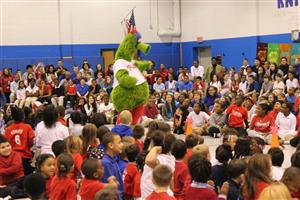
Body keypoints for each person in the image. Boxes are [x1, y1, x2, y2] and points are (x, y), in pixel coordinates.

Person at [141, 131, 176, 199]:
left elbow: (149, 160)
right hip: (158, 193)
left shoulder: (162, 159)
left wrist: (155, 149)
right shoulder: (170, 158)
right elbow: (171, 178)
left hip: (155, 195)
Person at [4, 106, 35, 175]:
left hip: (12, 157)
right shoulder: (27, 127)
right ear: (23, 116)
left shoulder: (7, 129)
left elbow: (5, 144)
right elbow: (31, 142)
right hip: (25, 157)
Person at [101, 133, 124, 199]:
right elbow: (110, 187)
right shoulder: (106, 163)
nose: (122, 145)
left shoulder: (114, 158)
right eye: (119, 143)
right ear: (111, 145)